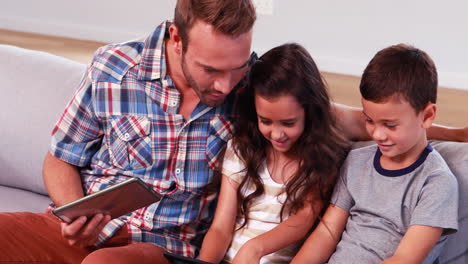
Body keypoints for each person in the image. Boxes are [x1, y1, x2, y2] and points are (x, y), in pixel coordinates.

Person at [0, 0, 465, 262]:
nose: (226, 84)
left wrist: (446, 132)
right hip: (78, 228)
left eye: (238, 67)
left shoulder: (251, 87)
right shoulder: (112, 68)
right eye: (211, 70)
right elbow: (61, 155)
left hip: (156, 247)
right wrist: (74, 213)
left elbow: (337, 114)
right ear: (176, 40)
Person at [291, 44, 459, 264]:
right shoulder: (357, 161)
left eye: (390, 125)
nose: (377, 134)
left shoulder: (436, 183)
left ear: (427, 116)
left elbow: (405, 259)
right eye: (369, 120)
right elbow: (326, 234)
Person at [197, 43, 349, 264]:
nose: (277, 134)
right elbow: (221, 227)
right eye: (265, 121)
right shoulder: (241, 148)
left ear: (310, 112)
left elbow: (305, 218)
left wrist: (255, 248)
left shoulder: (321, 157)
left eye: (288, 123)